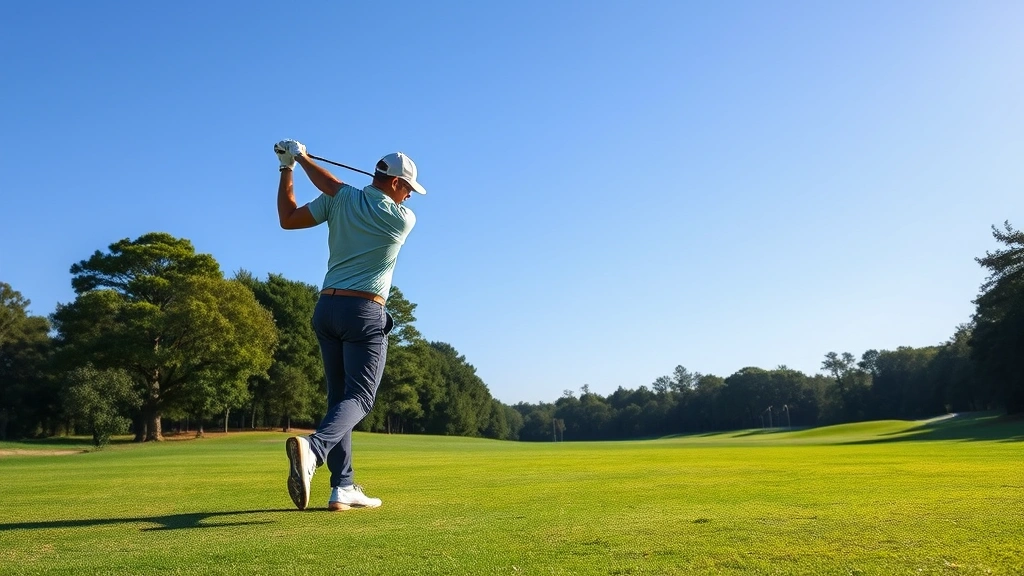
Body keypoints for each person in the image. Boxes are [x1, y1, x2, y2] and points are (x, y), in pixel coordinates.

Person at [273, 139, 426, 511]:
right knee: (361, 398)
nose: (409, 198)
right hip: (363, 312)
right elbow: (325, 191)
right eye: (407, 188)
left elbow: (288, 218)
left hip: (326, 309)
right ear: (394, 184)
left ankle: (342, 487)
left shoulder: (343, 200)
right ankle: (314, 448)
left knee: (339, 400)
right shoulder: (399, 216)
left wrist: (288, 167)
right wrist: (301, 160)